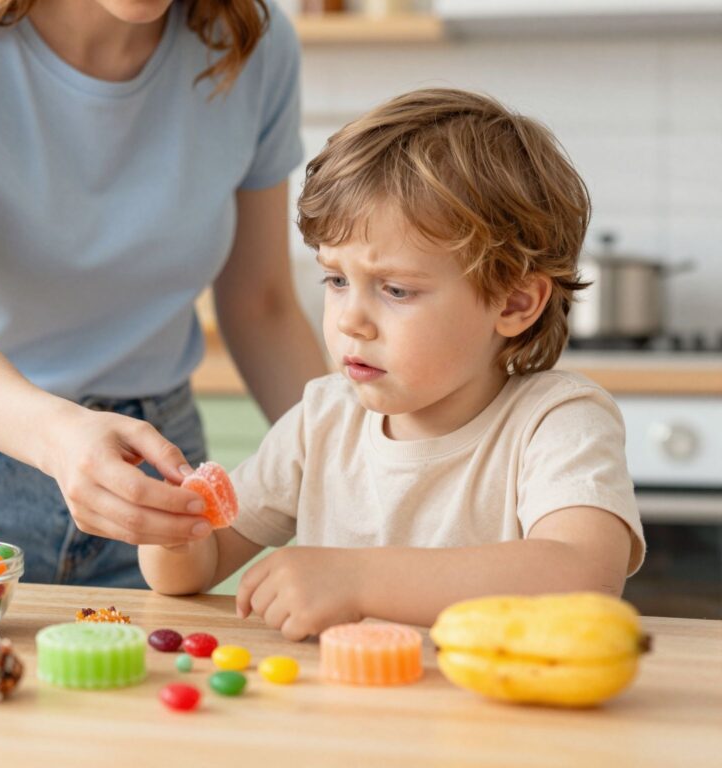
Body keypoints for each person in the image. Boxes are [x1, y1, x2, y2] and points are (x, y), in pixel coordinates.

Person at [0, 0, 328, 587]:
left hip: (155, 477)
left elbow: (262, 305)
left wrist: (345, 463)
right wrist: (62, 439)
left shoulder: (252, 44)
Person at [139, 88, 646, 639]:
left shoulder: (556, 421)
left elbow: (585, 576)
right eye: (336, 280)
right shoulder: (321, 420)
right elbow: (202, 566)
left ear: (514, 302)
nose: (349, 321)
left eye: (396, 290)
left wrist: (358, 579)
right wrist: (172, 531)